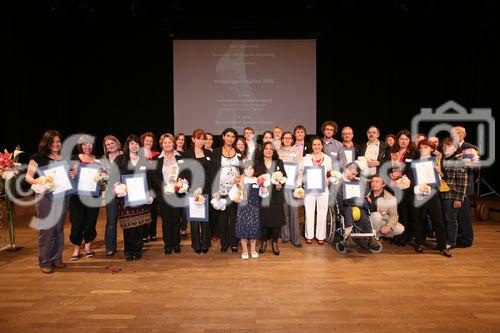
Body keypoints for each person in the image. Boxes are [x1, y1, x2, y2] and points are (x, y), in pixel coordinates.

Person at [25, 130, 73, 274]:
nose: (56, 144)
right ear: (46, 142)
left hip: (62, 196)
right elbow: (28, 177)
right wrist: (41, 183)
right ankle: (45, 261)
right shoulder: (37, 158)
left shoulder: (63, 158)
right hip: (45, 197)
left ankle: (57, 259)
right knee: (47, 230)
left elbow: (67, 176)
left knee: (58, 229)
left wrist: (71, 174)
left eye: (58, 141)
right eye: (52, 142)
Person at [114, 135, 153, 261]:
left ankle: (137, 249)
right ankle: (128, 250)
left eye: (136, 143)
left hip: (141, 196)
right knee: (129, 225)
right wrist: (117, 186)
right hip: (126, 197)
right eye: (131, 143)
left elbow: (148, 178)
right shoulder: (120, 159)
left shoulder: (144, 160)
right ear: (128, 145)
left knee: (140, 225)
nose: (134, 146)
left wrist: (150, 193)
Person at [411, 140, 451, 257]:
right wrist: (418, 187)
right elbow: (412, 178)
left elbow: (446, 177)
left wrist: (440, 172)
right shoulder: (414, 163)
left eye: (426, 147)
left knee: (437, 220)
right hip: (420, 193)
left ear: (432, 149)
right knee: (419, 219)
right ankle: (419, 243)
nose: (423, 149)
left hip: (433, 193)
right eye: (421, 147)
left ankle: (442, 246)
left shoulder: (437, 161)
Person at [69, 135, 101, 260]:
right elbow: (67, 176)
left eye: (89, 144)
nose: (87, 146)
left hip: (93, 196)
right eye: (84, 144)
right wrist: (71, 175)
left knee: (91, 222)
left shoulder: (98, 160)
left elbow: (103, 178)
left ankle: (88, 248)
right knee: (76, 223)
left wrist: (103, 175)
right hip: (77, 197)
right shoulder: (74, 158)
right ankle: (76, 249)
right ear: (80, 146)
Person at [151, 133, 184, 255]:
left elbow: (185, 173)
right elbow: (153, 176)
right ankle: (168, 245)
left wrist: (181, 183)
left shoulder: (180, 157)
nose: (167, 144)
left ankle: (176, 244)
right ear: (161, 144)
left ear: (173, 143)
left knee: (176, 220)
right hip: (163, 194)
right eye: (165, 142)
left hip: (177, 193)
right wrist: (163, 186)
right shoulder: (156, 159)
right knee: (166, 221)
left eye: (169, 142)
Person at [211, 128, 242, 253]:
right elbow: (213, 171)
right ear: (223, 137)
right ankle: (224, 243)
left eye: (233, 136)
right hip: (221, 189)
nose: (230, 138)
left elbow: (242, 170)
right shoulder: (216, 151)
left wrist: (241, 185)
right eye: (228, 136)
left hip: (235, 190)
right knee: (223, 218)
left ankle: (234, 243)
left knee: (234, 217)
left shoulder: (239, 152)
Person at [182, 129, 213, 254]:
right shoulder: (187, 154)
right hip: (192, 191)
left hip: (205, 189)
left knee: (205, 219)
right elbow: (184, 173)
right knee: (194, 220)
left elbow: (210, 173)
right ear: (193, 139)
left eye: (203, 139)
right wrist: (190, 188)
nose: (201, 141)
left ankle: (205, 243)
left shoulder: (208, 153)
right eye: (199, 138)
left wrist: (203, 187)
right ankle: (196, 244)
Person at [255, 142, 287, 255]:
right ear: (262, 150)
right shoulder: (257, 163)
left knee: (276, 222)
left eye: (271, 149)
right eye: (266, 148)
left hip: (276, 196)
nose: (268, 150)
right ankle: (264, 242)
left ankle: (274, 243)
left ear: (273, 151)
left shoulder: (279, 162)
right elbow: (255, 179)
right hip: (262, 197)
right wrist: (260, 183)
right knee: (263, 221)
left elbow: (285, 177)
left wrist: (281, 184)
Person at [389, 130, 419, 247]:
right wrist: (390, 175)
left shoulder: (413, 153)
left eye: (406, 139)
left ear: (409, 141)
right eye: (401, 139)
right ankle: (397, 235)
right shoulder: (393, 152)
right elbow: (387, 166)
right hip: (394, 186)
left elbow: (414, 169)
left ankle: (405, 236)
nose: (403, 141)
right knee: (397, 211)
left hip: (408, 187)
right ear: (398, 140)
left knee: (406, 212)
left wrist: (401, 175)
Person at [301, 137, 332, 244]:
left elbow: (330, 173)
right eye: (314, 145)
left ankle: (320, 236)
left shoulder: (328, 159)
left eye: (319, 144)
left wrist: (328, 181)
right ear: (311, 146)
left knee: (322, 211)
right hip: (309, 189)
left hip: (323, 189)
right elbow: (301, 173)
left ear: (322, 146)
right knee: (309, 211)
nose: (317, 147)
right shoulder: (306, 158)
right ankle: (309, 235)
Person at [450, 126, 477, 247]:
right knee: (456, 216)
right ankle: (457, 238)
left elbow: (477, 167)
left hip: (465, 186)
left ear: (462, 135)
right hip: (453, 187)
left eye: (455, 134)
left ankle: (467, 240)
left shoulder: (470, 148)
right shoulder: (451, 147)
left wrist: (468, 163)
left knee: (464, 215)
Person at [441, 138, 468, 252]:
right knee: (444, 219)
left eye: (450, 146)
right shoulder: (442, 160)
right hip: (442, 194)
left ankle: (451, 242)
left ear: (456, 148)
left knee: (450, 219)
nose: (447, 147)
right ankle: (445, 239)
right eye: (445, 146)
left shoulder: (458, 160)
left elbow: (462, 181)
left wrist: (459, 199)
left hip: (451, 196)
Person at [278, 131, 303, 247]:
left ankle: (296, 239)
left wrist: (298, 185)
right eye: (285, 138)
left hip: (293, 187)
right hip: (282, 186)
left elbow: (300, 171)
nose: (287, 140)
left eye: (289, 138)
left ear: (292, 140)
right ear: (282, 139)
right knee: (283, 213)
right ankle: (286, 236)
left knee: (294, 213)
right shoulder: (278, 152)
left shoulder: (297, 152)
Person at [101, 135, 122, 257]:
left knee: (128, 220)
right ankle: (110, 247)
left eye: (111, 143)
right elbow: (101, 178)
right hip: (110, 193)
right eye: (107, 144)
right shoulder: (103, 159)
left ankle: (130, 245)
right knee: (111, 221)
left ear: (116, 142)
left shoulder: (124, 155)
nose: (110, 145)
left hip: (125, 191)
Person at [233, 163, 261, 260]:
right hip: (243, 208)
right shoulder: (240, 179)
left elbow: (263, 194)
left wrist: (265, 190)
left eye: (251, 168)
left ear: (254, 170)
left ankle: (253, 250)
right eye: (247, 169)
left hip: (254, 208)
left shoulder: (258, 180)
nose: (249, 171)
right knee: (243, 229)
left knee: (254, 229)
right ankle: (245, 250)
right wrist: (235, 197)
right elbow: (233, 192)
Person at [140, 132, 160, 243]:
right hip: (142, 186)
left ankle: (152, 233)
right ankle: (144, 234)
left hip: (153, 186)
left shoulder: (156, 154)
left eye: (151, 141)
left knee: (153, 211)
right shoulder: (137, 154)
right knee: (143, 211)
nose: (149, 143)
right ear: (142, 141)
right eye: (147, 140)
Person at [175, 132, 188, 237]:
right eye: (179, 139)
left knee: (185, 209)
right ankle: (175, 228)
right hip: (173, 184)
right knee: (176, 209)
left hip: (185, 184)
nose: (181, 141)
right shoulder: (171, 152)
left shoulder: (187, 153)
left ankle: (183, 229)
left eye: (183, 139)